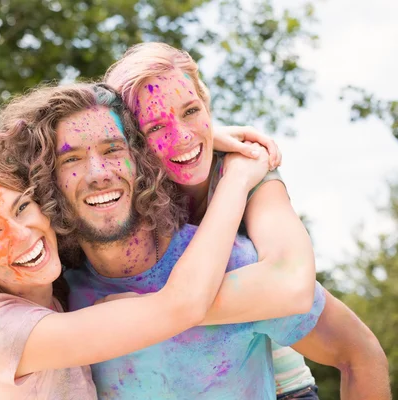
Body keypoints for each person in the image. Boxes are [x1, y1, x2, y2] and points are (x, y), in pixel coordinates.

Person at [0, 82, 389, 399]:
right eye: (70, 159)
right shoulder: (58, 293)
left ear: (139, 160)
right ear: (44, 183)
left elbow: (361, 355)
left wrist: (229, 158)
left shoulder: (233, 264)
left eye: (112, 149)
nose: (98, 173)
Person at [0, 146, 275, 399]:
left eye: (22, 208)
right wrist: (237, 180)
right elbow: (182, 305)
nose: (24, 235)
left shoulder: (56, 289)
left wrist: (198, 142)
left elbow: (84, 146)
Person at [103, 41, 318, 399]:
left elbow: (293, 285)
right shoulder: (121, 194)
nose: (182, 136)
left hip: (279, 387)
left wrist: (149, 311)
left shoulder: (246, 168)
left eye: (191, 111)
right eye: (155, 127)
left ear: (207, 105)